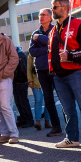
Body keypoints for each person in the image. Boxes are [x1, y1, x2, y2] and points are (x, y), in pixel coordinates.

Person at [48, 0, 81, 150]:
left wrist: (70, 56)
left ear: (65, 8)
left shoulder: (79, 25)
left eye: (55, 7)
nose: (53, 10)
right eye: (52, 7)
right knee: (67, 109)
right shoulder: (53, 30)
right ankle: (72, 138)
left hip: (75, 73)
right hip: (58, 75)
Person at [27, 8, 63, 136]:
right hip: (42, 70)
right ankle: (56, 127)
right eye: (39, 15)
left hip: (56, 69)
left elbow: (55, 46)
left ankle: (70, 126)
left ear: (50, 17)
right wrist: (47, 48)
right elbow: (32, 52)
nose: (41, 17)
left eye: (43, 15)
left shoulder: (56, 29)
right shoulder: (34, 33)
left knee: (63, 97)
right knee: (48, 99)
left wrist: (41, 39)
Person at [13, 45, 34, 129]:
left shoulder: (19, 54)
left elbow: (22, 69)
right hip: (18, 81)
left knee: (23, 102)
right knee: (19, 102)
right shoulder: (18, 53)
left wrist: (17, 78)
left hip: (20, 81)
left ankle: (28, 120)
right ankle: (23, 119)